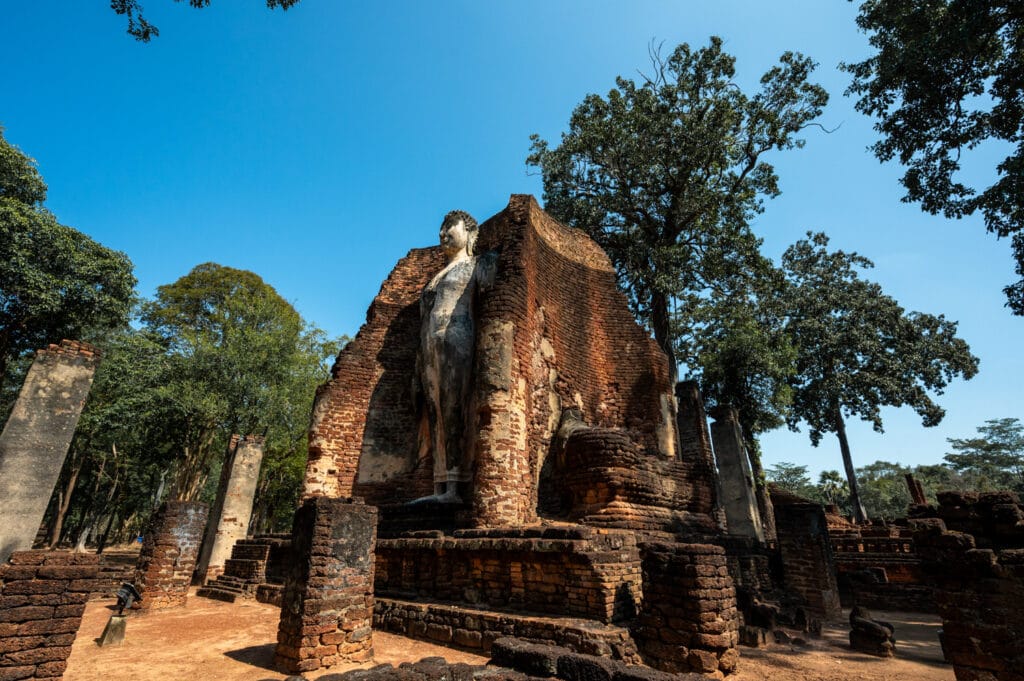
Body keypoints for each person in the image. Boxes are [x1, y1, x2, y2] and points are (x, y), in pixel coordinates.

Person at [417, 209, 491, 502]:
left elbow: (492, 293)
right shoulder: (437, 275)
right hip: (429, 345)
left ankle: (456, 487)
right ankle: (439, 486)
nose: (442, 233)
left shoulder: (476, 264)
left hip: (457, 339)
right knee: (434, 412)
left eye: (449, 226)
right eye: (441, 227)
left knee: (452, 407)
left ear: (469, 233)